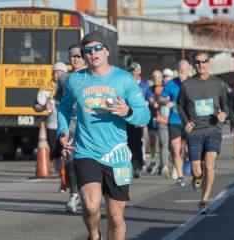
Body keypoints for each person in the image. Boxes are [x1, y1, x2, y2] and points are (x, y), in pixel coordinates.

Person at [57, 31, 151, 240]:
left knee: (116, 216)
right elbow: (62, 110)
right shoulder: (74, 81)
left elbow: (144, 116)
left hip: (117, 155)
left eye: (98, 48)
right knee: (90, 206)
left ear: (107, 51)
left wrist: (128, 112)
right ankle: (94, 236)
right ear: (84, 56)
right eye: (88, 51)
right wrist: (62, 132)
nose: (93, 53)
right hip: (86, 151)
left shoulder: (124, 79)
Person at [177, 51, 229, 214]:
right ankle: (197, 178)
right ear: (194, 65)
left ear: (209, 63)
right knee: (196, 169)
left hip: (213, 128)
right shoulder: (187, 85)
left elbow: (225, 105)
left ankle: (204, 200)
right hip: (194, 131)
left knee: (209, 164)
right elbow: (179, 106)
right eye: (198, 62)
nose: (201, 64)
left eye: (204, 61)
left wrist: (223, 115)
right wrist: (186, 122)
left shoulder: (218, 83)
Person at [55, 44, 88, 213]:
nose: (75, 59)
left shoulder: (91, 76)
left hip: (89, 125)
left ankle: (88, 193)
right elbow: (60, 104)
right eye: (72, 56)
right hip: (70, 125)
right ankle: (74, 194)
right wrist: (61, 129)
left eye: (78, 56)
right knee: (69, 159)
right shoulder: (64, 79)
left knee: (87, 161)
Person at [160, 60, 190, 186]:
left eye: (183, 71)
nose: (181, 73)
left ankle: (188, 161)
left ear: (188, 71)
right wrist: (167, 102)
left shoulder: (193, 83)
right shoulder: (171, 83)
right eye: (179, 71)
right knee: (175, 148)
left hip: (189, 121)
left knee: (188, 149)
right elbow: (161, 98)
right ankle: (180, 176)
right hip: (174, 120)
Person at [34, 62, 66, 179]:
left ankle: (67, 176)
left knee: (66, 152)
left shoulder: (70, 85)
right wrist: (43, 107)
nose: (58, 75)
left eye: (61, 72)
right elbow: (37, 105)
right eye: (56, 72)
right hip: (52, 125)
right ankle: (60, 174)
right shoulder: (46, 87)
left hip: (68, 124)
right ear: (52, 74)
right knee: (55, 153)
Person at [127, 62, 153, 178]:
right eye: (131, 70)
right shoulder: (126, 83)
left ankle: (137, 166)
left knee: (137, 142)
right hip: (127, 117)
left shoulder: (144, 85)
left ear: (139, 71)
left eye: (135, 70)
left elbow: (150, 99)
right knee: (128, 142)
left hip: (139, 118)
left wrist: (149, 103)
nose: (133, 72)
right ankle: (130, 166)